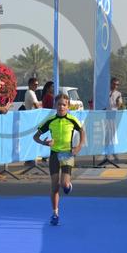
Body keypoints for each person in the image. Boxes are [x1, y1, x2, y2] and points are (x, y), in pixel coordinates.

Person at [33, 93, 86, 226]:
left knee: (64, 184)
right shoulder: (50, 120)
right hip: (54, 154)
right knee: (54, 185)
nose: (61, 107)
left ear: (68, 106)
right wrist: (45, 143)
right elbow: (35, 137)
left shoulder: (72, 120)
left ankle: (68, 185)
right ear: (55, 106)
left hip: (67, 154)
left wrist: (79, 146)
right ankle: (55, 213)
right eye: (59, 104)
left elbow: (82, 131)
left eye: (64, 105)